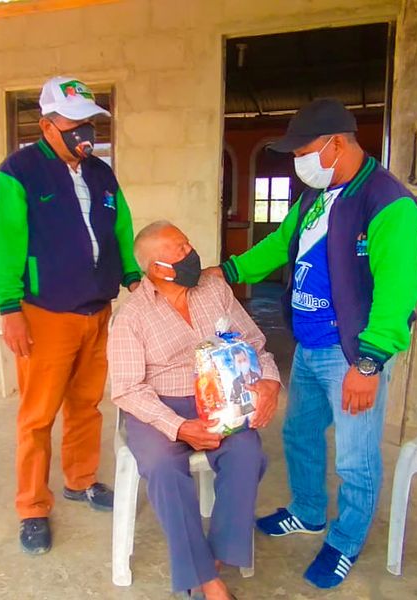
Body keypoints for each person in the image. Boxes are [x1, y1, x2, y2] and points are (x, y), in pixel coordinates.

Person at [208, 98, 417, 589]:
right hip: (308, 344)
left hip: (351, 353)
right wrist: (229, 271)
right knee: (299, 434)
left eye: (304, 152)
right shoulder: (313, 198)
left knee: (355, 457)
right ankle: (308, 511)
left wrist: (369, 363)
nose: (298, 162)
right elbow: (279, 245)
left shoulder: (387, 202)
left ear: (336, 144)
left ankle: (345, 540)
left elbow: (398, 291)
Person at [0, 76, 142, 555]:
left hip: (97, 310)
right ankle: (32, 506)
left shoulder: (101, 173)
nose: (83, 131)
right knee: (37, 416)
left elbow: (121, 228)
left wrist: (133, 276)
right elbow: (3, 244)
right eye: (74, 123)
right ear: (47, 125)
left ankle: (81, 479)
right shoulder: (18, 173)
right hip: (45, 314)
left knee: (87, 404)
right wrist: (9, 307)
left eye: (88, 121)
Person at [108, 221, 281, 599]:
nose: (192, 254)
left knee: (247, 452)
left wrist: (270, 381)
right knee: (162, 467)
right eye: (181, 250)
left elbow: (253, 343)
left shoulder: (214, 289)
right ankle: (208, 583)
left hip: (218, 398)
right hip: (158, 406)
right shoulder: (132, 316)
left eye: (188, 244)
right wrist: (179, 426)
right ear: (158, 269)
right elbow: (127, 389)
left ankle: (213, 558)